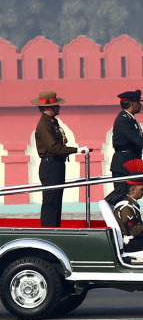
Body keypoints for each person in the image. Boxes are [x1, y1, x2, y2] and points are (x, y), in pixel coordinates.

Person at [33, 91, 89, 227]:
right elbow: (53, 147)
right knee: (51, 202)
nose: (59, 107)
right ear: (48, 108)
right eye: (56, 105)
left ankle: (54, 228)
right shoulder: (44, 124)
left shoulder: (52, 122)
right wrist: (76, 150)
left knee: (57, 200)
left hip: (57, 164)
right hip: (50, 165)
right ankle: (48, 230)